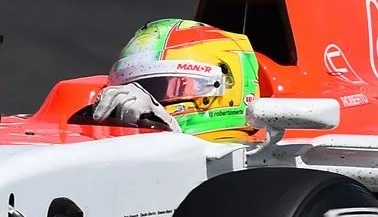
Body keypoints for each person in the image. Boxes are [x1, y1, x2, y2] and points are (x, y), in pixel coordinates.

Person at [89, 19, 260, 139]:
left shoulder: (271, 155)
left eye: (162, 88)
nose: (133, 103)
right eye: (129, 86)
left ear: (227, 83)